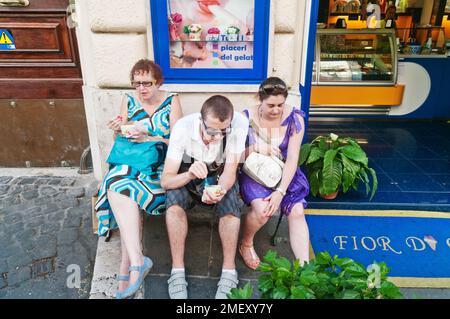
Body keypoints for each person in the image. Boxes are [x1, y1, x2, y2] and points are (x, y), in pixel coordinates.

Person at [94, 59, 182, 299]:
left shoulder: (172, 100)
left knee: (119, 185)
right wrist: (117, 128)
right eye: (137, 84)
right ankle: (135, 261)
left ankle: (128, 265)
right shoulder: (129, 100)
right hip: (131, 162)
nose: (141, 89)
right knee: (114, 182)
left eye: (147, 83)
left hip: (158, 167)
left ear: (158, 82)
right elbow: (120, 139)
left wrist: (150, 134)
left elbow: (178, 142)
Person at [161, 95, 248, 299]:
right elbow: (166, 180)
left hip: (219, 175)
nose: (217, 137)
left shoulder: (239, 124)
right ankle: (177, 271)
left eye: (223, 132)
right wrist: (190, 174)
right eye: (211, 131)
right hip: (187, 173)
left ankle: (228, 271)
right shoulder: (182, 128)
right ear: (201, 121)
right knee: (173, 205)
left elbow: (230, 171)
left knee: (232, 205)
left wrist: (220, 191)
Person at [238, 77, 310, 270]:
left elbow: (293, 157)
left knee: (297, 211)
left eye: (280, 104)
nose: (276, 110)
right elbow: (234, 156)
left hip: (284, 172)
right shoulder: (245, 118)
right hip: (256, 173)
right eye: (271, 105)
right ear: (260, 100)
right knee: (263, 211)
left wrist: (280, 191)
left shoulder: (295, 118)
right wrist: (255, 147)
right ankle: (246, 243)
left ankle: (304, 269)